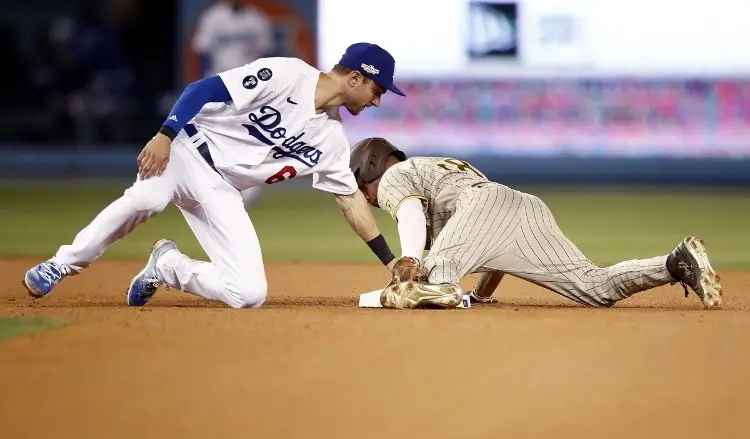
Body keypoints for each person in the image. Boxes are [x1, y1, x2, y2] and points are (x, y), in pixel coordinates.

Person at [22, 43, 406, 309]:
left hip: (221, 189)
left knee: (250, 293)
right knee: (146, 198)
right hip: (186, 150)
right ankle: (62, 263)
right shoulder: (289, 75)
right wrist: (164, 134)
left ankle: (167, 266)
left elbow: (350, 198)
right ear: (355, 78)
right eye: (377, 89)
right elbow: (203, 88)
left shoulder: (332, 139)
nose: (377, 100)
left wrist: (390, 262)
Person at [348, 137, 724, 309]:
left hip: (485, 204)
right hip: (522, 206)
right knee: (596, 288)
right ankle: (674, 262)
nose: (365, 197)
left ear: (369, 167)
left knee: (429, 283)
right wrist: (480, 296)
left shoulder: (398, 175)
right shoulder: (436, 167)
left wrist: (411, 258)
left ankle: (402, 296)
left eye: (361, 186)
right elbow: (487, 237)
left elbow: (411, 214)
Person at [191, 0, 276, 207]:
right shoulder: (213, 16)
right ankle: (210, 184)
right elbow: (201, 50)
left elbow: (266, 54)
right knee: (212, 137)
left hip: (247, 86)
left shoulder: (257, 19)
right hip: (218, 82)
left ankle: (249, 187)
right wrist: (202, 85)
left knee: (249, 137)